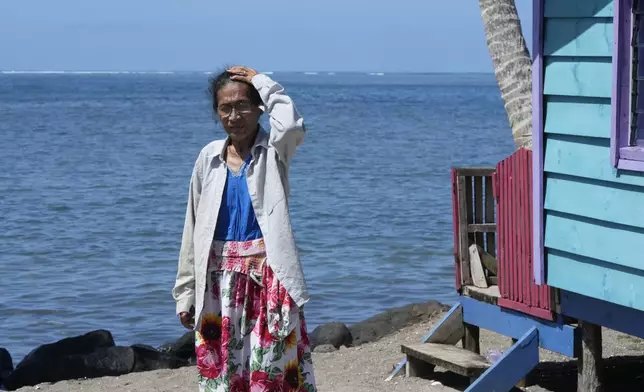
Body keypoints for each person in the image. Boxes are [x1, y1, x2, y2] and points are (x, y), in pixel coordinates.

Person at [172, 66, 317, 392]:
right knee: (221, 375)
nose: (234, 115)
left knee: (272, 374)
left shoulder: (274, 152)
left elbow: (291, 124)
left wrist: (261, 82)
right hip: (216, 284)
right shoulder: (207, 159)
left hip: (268, 278)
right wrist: (185, 293)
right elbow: (192, 229)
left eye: (243, 105)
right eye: (225, 107)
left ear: (258, 109)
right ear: (216, 112)